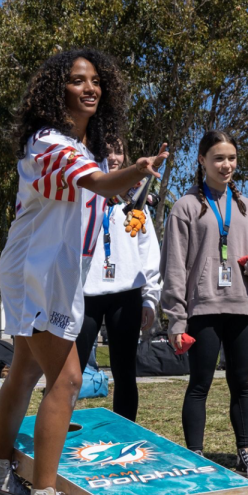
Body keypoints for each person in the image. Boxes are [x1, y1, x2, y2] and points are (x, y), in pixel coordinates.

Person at [0, 48, 168, 495]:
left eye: (97, 81)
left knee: (23, 371)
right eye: (79, 80)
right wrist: (137, 171)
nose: (91, 88)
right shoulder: (51, 143)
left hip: (49, 273)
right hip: (39, 274)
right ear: (55, 89)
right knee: (67, 380)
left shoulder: (78, 147)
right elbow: (100, 184)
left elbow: (99, 189)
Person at [160, 129, 248, 480]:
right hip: (202, 309)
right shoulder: (185, 207)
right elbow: (175, 268)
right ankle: (194, 455)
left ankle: (246, 454)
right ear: (202, 161)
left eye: (231, 158)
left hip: (240, 307)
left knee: (241, 382)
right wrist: (176, 319)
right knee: (200, 383)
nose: (226, 165)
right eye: (219, 158)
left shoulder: (247, 207)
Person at [73, 140, 163, 423]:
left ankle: (125, 434)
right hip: (85, 294)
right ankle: (59, 434)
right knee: (70, 373)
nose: (113, 158)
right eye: (106, 151)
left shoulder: (137, 201)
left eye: (118, 152)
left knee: (125, 372)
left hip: (126, 293)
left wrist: (150, 297)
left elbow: (148, 251)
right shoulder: (83, 194)